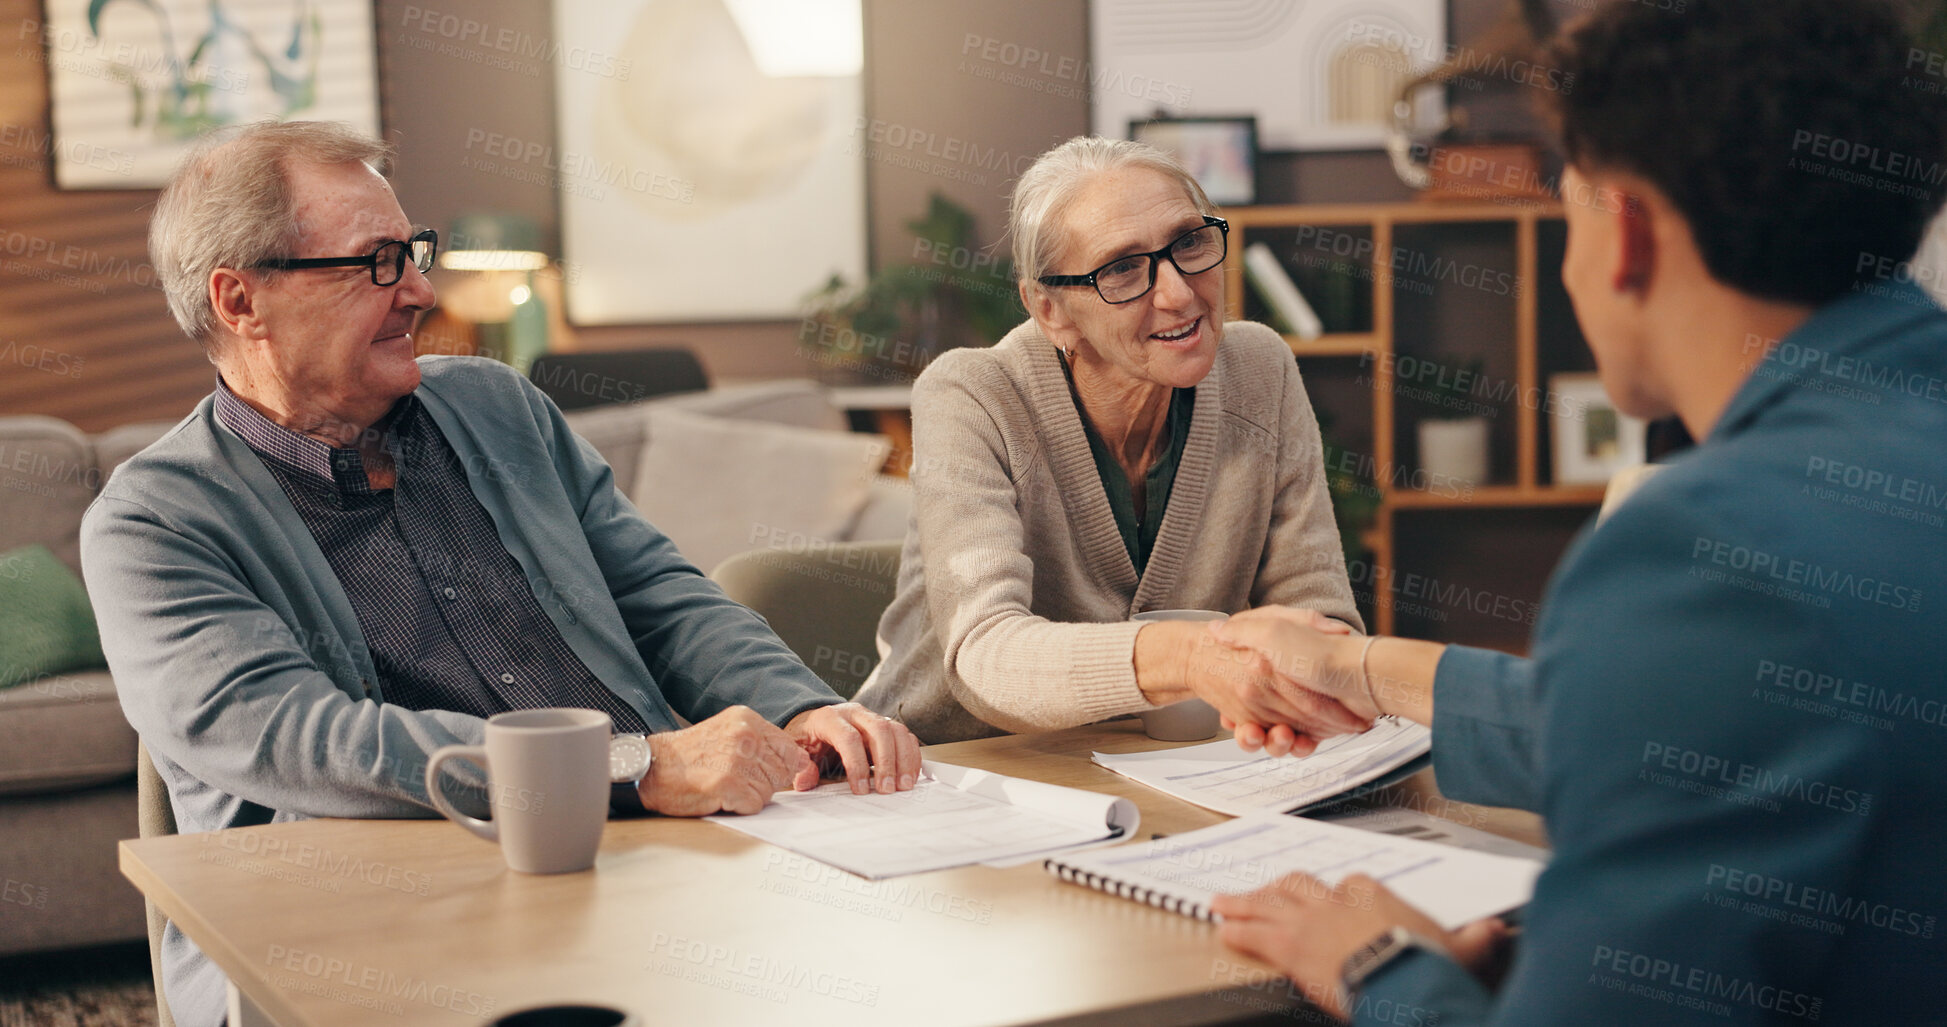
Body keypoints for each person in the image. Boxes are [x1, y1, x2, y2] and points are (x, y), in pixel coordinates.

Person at [81, 120, 919, 1027]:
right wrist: (626, 767)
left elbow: (660, 595)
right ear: (241, 301)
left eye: (414, 252)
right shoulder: (152, 523)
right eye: (377, 262)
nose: (420, 291)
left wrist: (802, 711)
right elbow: (310, 743)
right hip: (384, 910)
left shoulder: (500, 406)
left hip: (656, 859)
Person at [1203, 1, 1947, 1023]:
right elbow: (1725, 723)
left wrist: (1379, 967)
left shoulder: (1712, 547)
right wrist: (1355, 666)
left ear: (1626, 230)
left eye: (1565, 213)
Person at [854, 137, 1366, 744]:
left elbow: (1319, 614)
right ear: (1050, 311)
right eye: (1123, 269)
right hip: (947, 770)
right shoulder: (972, 395)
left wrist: (1305, 690)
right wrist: (1191, 658)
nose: (1180, 294)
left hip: (1176, 772)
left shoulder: (1261, 370)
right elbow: (986, 655)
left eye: (1190, 242)